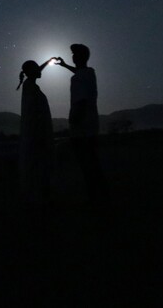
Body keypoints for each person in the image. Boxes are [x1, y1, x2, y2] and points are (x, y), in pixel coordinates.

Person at [55, 44, 109, 206]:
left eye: (73, 54)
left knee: (87, 165)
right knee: (92, 162)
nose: (72, 56)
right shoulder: (90, 73)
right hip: (92, 126)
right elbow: (80, 73)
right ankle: (101, 195)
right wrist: (64, 65)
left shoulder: (78, 78)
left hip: (82, 129)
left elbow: (81, 101)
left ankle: (95, 199)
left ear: (76, 57)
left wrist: (73, 123)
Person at [17, 58, 58, 206]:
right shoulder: (30, 87)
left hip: (38, 134)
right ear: (31, 71)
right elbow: (33, 113)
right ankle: (40, 201)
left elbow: (36, 70)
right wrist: (39, 133)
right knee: (39, 168)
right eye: (36, 68)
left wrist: (49, 61)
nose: (40, 71)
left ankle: (41, 199)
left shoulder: (30, 85)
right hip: (37, 135)